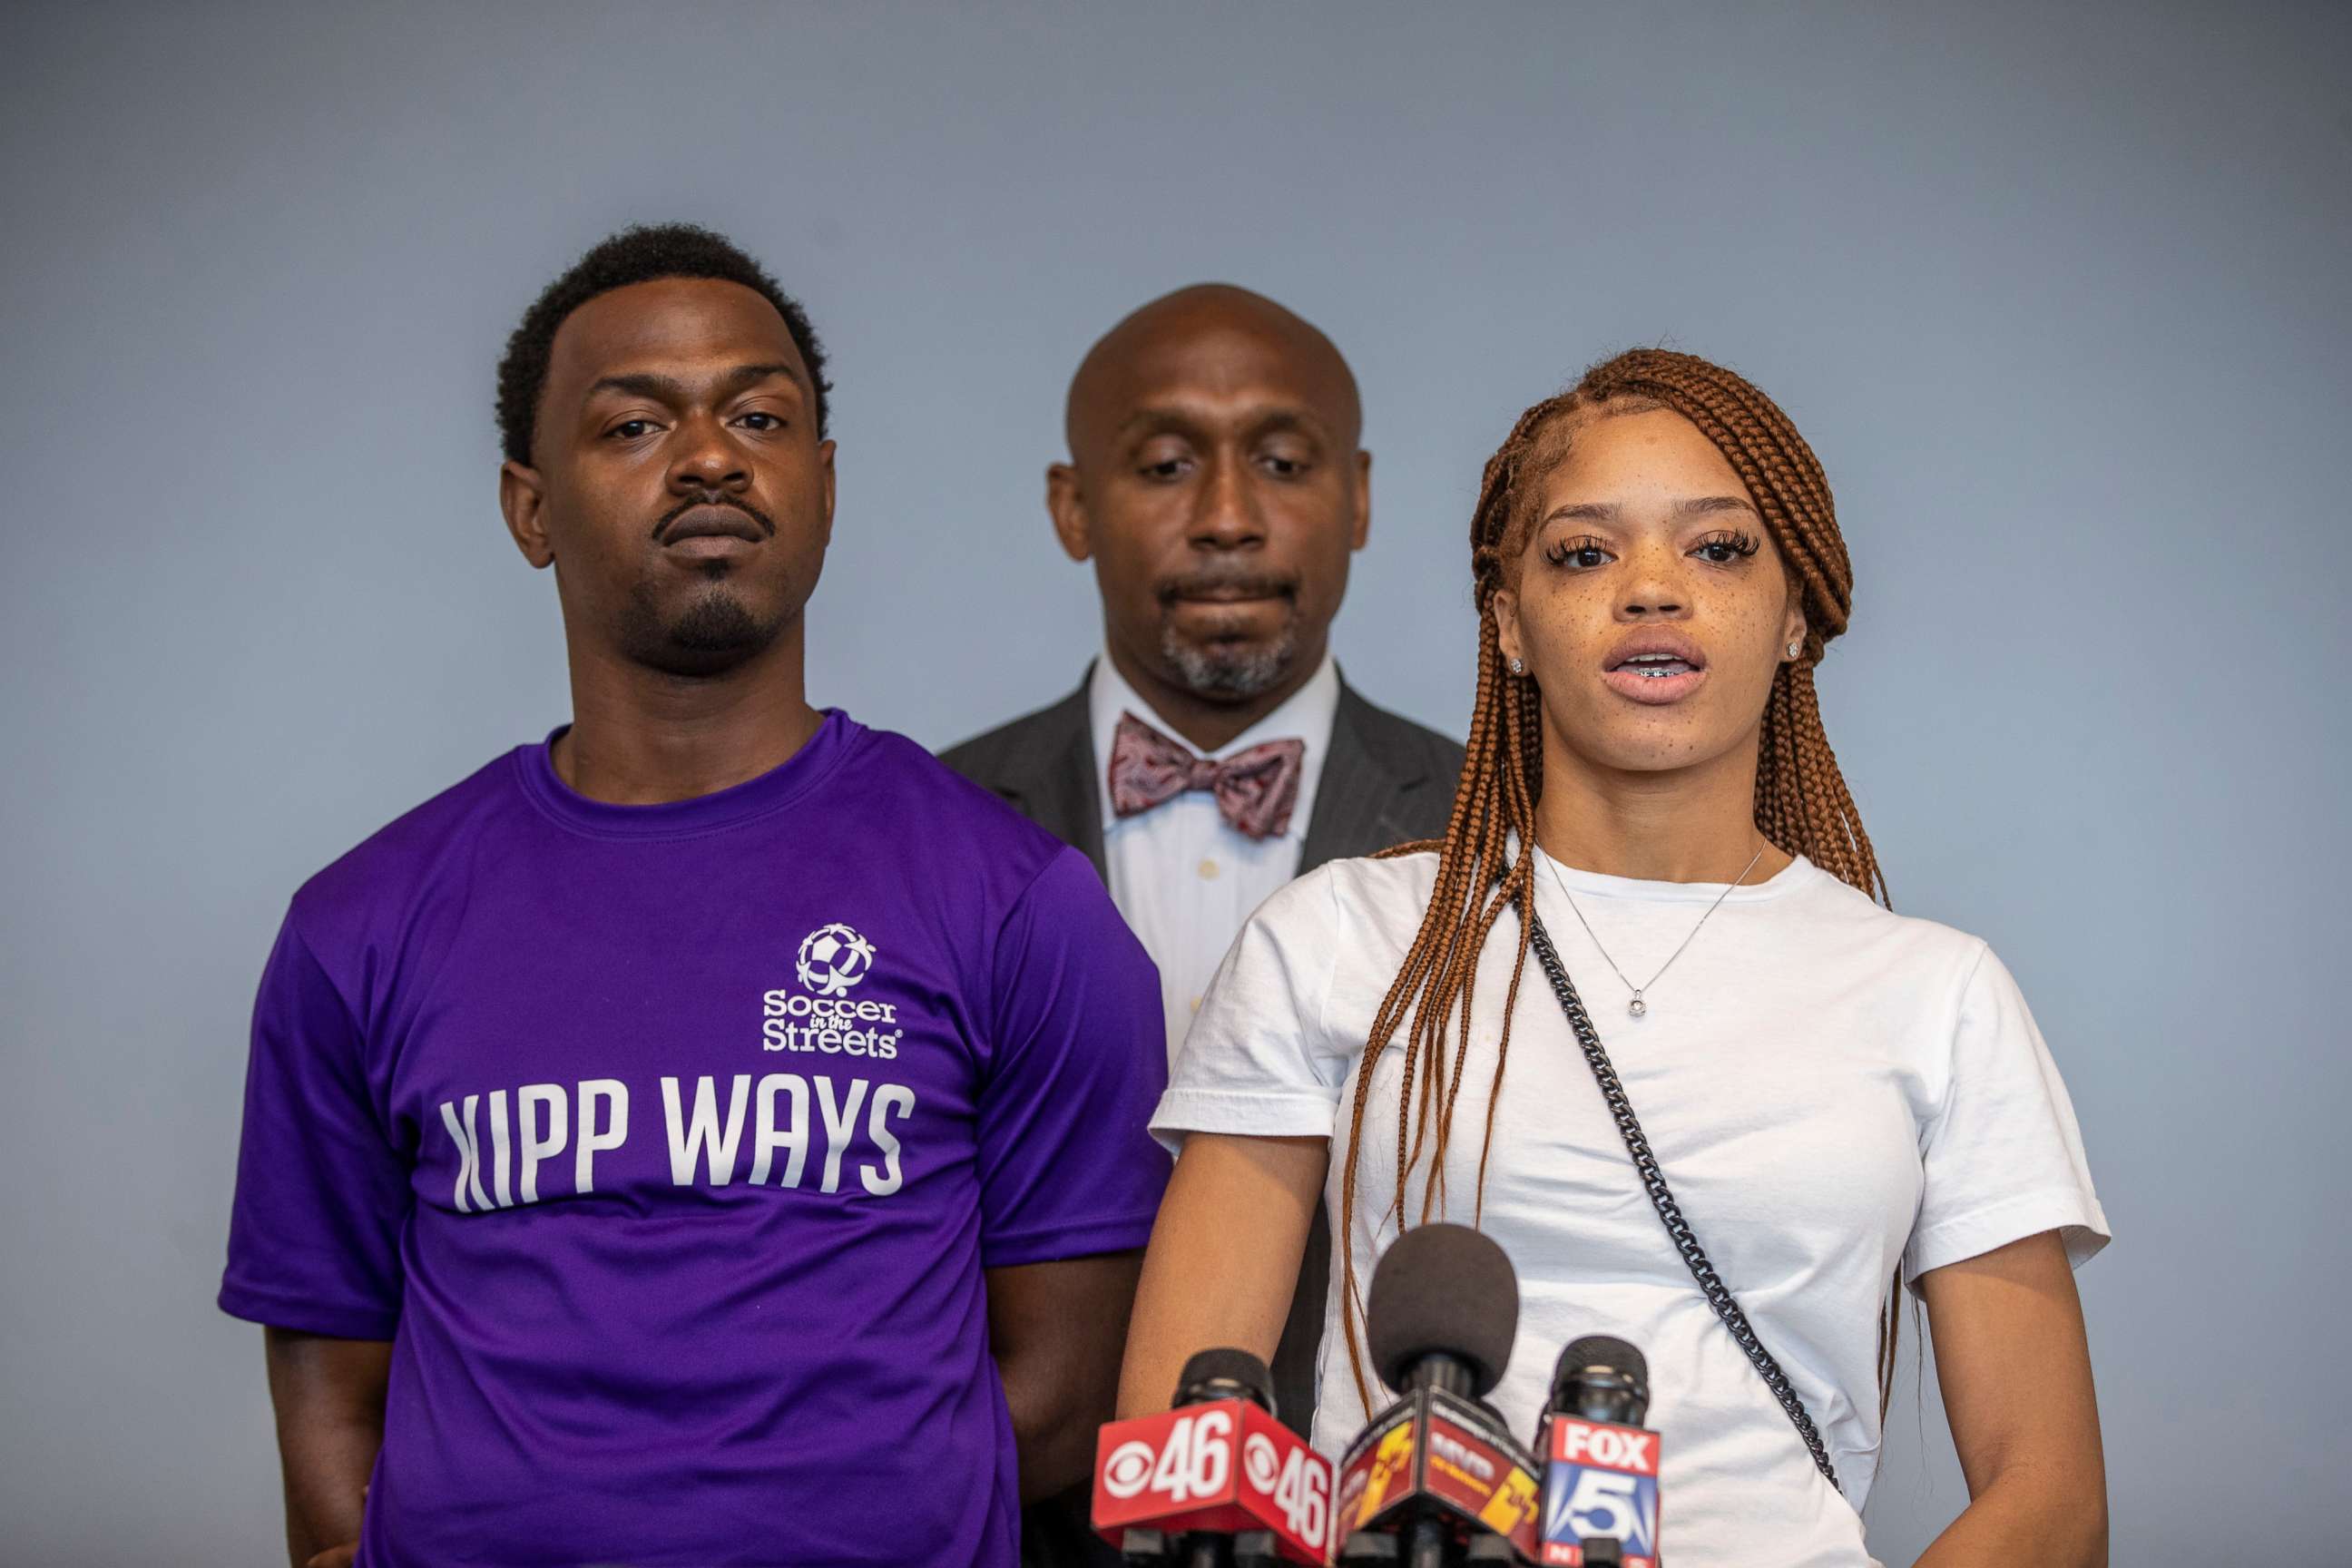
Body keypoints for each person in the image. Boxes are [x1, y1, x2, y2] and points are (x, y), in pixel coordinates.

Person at [219, 223, 1171, 1568]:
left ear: (823, 485)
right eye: (632, 424)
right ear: (529, 505)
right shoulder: (357, 927)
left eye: (761, 415)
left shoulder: (1022, 906)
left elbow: (1066, 1400)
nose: (713, 455)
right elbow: (330, 1397)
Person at [1122, 349, 2111, 1566]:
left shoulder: (1938, 995)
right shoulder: (1338, 937)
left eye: (1718, 548)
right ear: (1510, 623)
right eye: (1586, 553)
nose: (1652, 589)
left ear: (1796, 614)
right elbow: (1177, 1440)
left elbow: (2050, 1501)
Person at [940, 284, 1464, 1447]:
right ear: (1072, 508)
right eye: (1168, 465)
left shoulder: (1504, 833)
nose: (1228, 515)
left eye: (1283, 461)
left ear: (1360, 498)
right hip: (1009, 1514)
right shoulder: (927, 827)